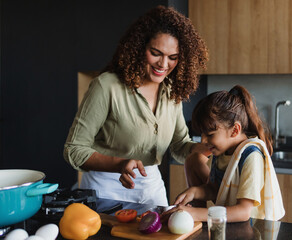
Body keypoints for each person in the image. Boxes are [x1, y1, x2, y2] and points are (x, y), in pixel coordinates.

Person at [63, 5, 209, 206]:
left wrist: (205, 147)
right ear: (139, 47)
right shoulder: (107, 86)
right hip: (106, 186)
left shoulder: (171, 90)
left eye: (173, 57)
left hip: (151, 186)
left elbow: (178, 146)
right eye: (156, 53)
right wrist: (119, 164)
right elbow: (74, 149)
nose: (163, 64)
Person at [164, 85, 285, 221]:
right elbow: (215, 190)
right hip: (228, 224)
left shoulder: (251, 156)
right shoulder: (222, 151)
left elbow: (243, 212)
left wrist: (195, 214)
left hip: (251, 228)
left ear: (234, 130)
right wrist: (194, 192)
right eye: (202, 134)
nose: (203, 140)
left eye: (210, 134)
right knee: (193, 159)